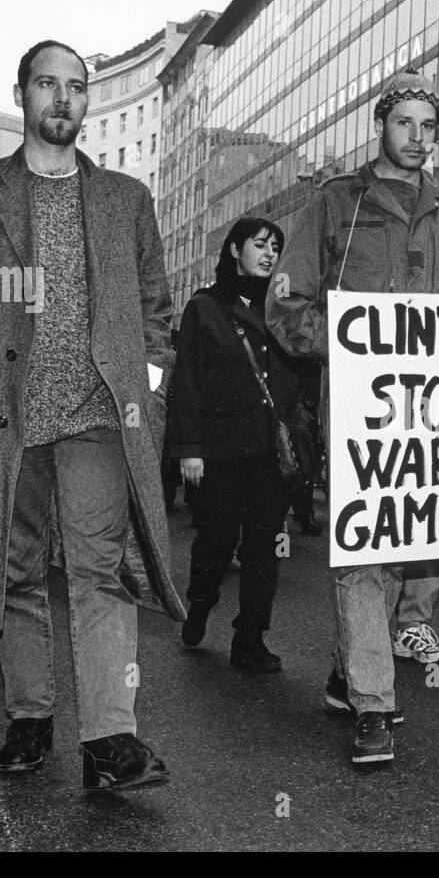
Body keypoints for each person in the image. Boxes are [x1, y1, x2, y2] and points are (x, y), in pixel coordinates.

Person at [0, 40, 183, 791]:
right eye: (49, 84)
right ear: (22, 93)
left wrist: (146, 389)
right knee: (13, 572)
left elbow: (155, 311)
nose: (64, 99)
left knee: (101, 573)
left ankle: (111, 738)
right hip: (4, 418)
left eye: (77, 87)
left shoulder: (123, 199)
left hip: (97, 418)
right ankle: (30, 716)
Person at [266, 70, 439, 765]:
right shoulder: (337, 203)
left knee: (403, 545)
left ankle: (347, 668)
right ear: (380, 127)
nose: (419, 139)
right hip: (361, 410)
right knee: (365, 549)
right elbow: (287, 303)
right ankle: (373, 704)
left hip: (430, 418)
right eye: (405, 125)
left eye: (429, 127)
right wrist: (350, 347)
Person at [168, 217, 315, 670]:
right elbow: (188, 379)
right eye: (259, 245)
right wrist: (189, 447)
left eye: (276, 247)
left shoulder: (286, 309)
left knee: (264, 548)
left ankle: (250, 639)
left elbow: (305, 370)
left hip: (272, 452)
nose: (269, 254)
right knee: (215, 540)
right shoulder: (206, 307)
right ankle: (199, 605)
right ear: (235, 249)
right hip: (220, 450)